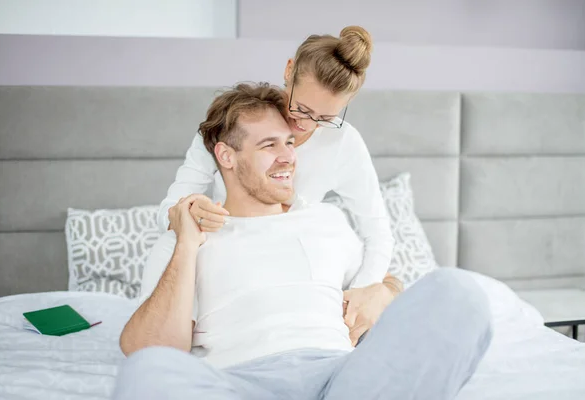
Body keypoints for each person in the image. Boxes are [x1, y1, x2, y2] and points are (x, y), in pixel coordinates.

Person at [114, 83, 493, 400]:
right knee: (146, 371)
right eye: (269, 146)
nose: (288, 158)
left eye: (290, 143)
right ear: (226, 156)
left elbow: (385, 282)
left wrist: (385, 292)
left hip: (342, 379)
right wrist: (186, 243)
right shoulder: (187, 236)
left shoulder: (326, 219)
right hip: (242, 384)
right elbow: (147, 347)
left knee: (460, 291)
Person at [155, 26, 394, 291]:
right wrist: (188, 213)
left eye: (325, 118)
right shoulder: (232, 125)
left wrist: (362, 295)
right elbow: (165, 212)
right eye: (301, 108)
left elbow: (378, 233)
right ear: (289, 70)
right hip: (235, 261)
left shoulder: (343, 144)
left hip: (298, 268)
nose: (305, 125)